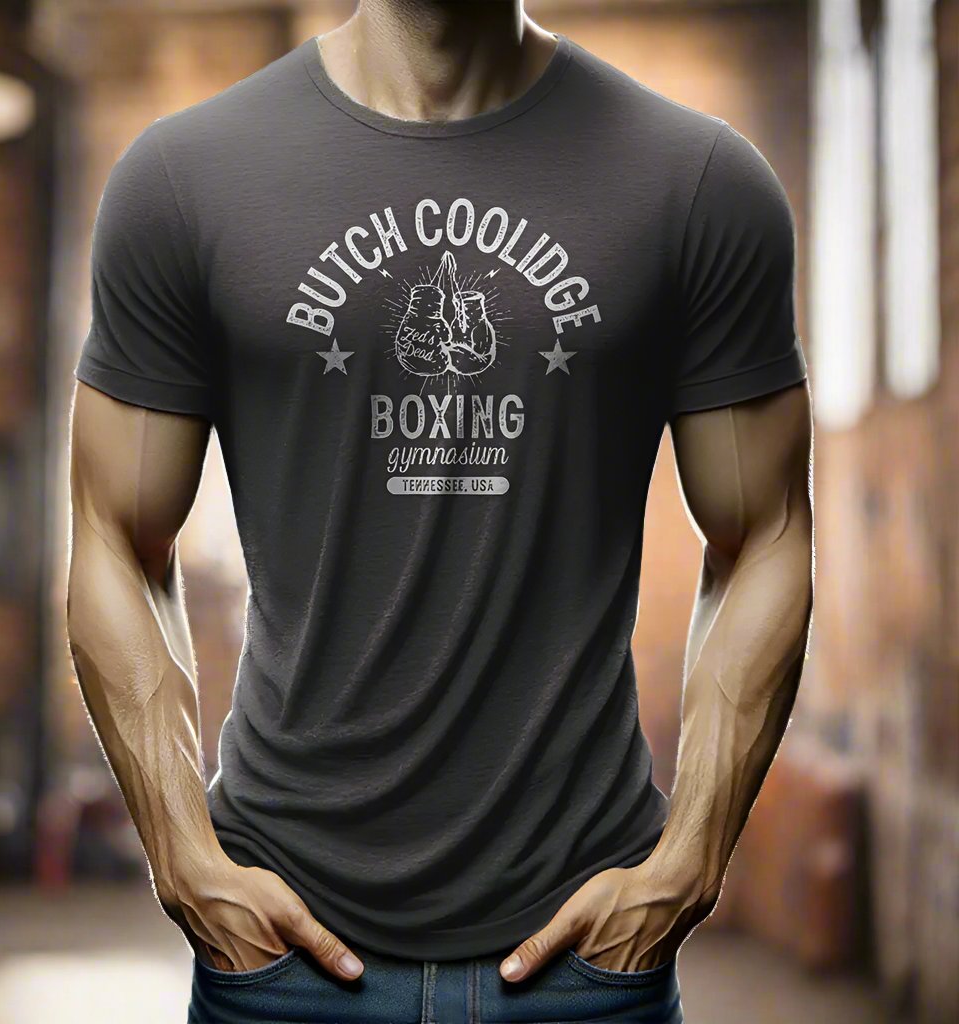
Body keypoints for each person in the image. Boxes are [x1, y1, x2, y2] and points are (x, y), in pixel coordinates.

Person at [67, 1, 814, 1021]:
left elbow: (766, 533)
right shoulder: (184, 178)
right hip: (283, 960)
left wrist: (688, 859)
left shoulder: (694, 182)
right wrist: (185, 858)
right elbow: (112, 536)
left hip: (586, 965)